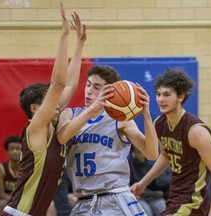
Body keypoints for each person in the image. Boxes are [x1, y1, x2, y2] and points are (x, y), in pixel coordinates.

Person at [0, 3, 86, 216]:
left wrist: (80, 44)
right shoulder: (36, 129)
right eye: (50, 101)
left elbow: (71, 85)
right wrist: (64, 35)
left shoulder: (52, 124)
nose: (58, 104)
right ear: (36, 108)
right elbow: (58, 83)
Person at [57, 65, 159, 215]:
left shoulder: (120, 120)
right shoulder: (69, 114)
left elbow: (151, 154)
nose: (89, 90)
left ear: (110, 92)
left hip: (115, 198)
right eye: (88, 85)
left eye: (97, 87)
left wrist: (146, 115)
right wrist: (93, 108)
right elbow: (62, 137)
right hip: (84, 202)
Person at [130, 68, 211, 216]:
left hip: (194, 201)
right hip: (175, 196)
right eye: (158, 94)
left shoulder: (196, 131)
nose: (161, 99)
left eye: (167, 95)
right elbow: (166, 156)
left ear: (180, 96)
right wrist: (143, 183)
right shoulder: (160, 124)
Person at [129, 146, 170, 216]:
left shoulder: (149, 166)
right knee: (146, 211)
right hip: (139, 198)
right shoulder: (130, 167)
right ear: (133, 153)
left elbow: (157, 185)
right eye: (139, 153)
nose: (142, 155)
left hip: (152, 197)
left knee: (163, 208)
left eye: (143, 153)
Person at [0, 135, 22, 213]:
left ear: (22, 150)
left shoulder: (27, 168)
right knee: (1, 203)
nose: (14, 151)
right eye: (11, 149)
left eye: (18, 149)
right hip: (7, 199)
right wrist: (13, 200)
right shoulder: (2, 167)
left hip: (23, 199)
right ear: (7, 151)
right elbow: (0, 193)